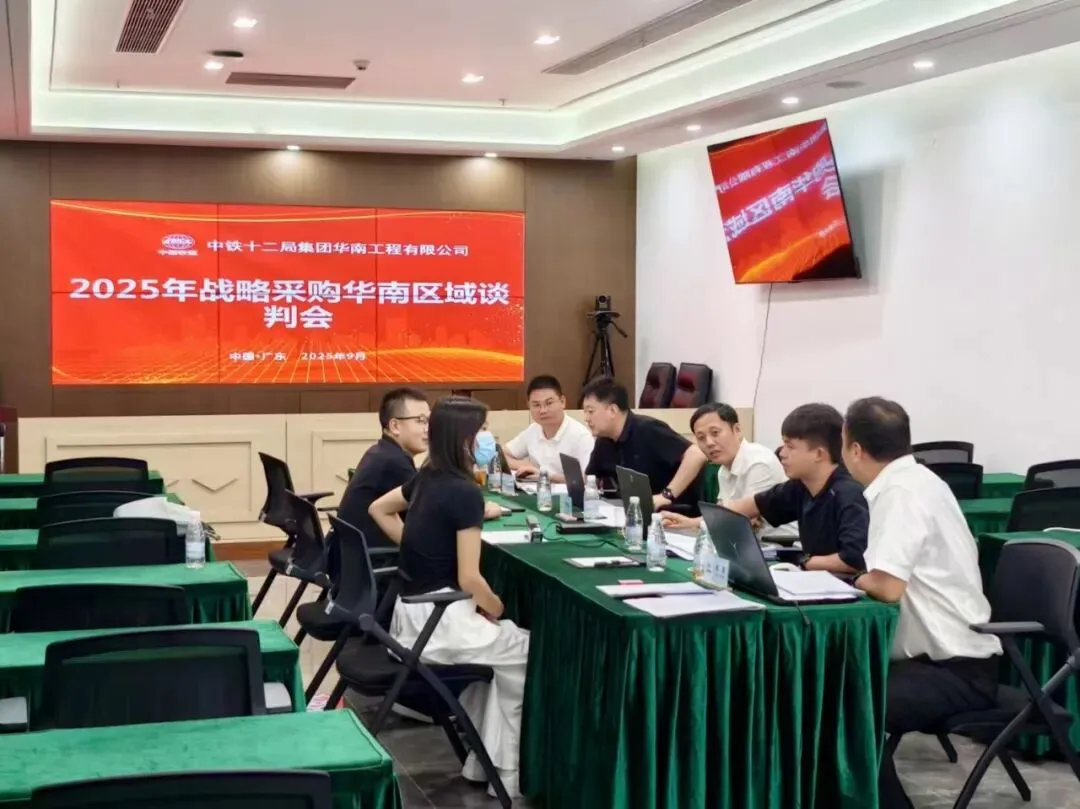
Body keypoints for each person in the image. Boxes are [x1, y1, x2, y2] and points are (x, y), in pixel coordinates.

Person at [841, 397, 1001, 809]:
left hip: (954, 670)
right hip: (931, 661)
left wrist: (856, 579)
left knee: (847, 706)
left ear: (854, 448)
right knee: (831, 689)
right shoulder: (919, 480)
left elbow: (886, 587)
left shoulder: (901, 492)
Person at [369, 396, 530, 799]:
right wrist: (496, 608)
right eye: (482, 430)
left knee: (492, 668)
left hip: (410, 618)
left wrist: (418, 549)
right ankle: (507, 770)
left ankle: (482, 763)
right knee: (528, 654)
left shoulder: (428, 476)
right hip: (441, 624)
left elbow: (379, 509)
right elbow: (470, 578)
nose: (489, 438)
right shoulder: (464, 492)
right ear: (463, 439)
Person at [722, 403, 867, 572]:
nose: (781, 453)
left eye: (790, 447)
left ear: (819, 454)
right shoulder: (800, 486)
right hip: (814, 577)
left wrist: (804, 562)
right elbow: (752, 505)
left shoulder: (849, 493)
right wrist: (718, 514)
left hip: (844, 583)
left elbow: (853, 559)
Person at [660, 402, 796, 537]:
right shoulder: (723, 470)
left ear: (737, 430)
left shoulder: (759, 463)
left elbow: (744, 521)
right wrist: (689, 523)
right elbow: (724, 517)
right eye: (701, 438)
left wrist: (692, 523)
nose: (709, 443)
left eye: (715, 433)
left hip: (783, 545)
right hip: (748, 543)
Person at [581, 377, 707, 510]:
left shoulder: (648, 429)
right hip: (632, 510)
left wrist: (667, 495)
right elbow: (590, 479)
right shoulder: (604, 439)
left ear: (612, 410)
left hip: (672, 511)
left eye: (591, 411)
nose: (586, 418)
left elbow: (696, 455)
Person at [336, 388, 429, 552]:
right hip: (377, 559)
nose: (428, 429)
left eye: (429, 421)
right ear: (395, 426)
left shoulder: (381, 451)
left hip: (350, 557)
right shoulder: (394, 462)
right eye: (420, 421)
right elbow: (432, 513)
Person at [503, 375, 594, 483]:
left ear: (562, 402)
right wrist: (522, 465)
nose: (543, 410)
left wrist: (546, 475)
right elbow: (502, 454)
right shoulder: (533, 430)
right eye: (536, 405)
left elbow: (588, 478)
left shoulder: (580, 435)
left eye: (549, 403)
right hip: (535, 491)